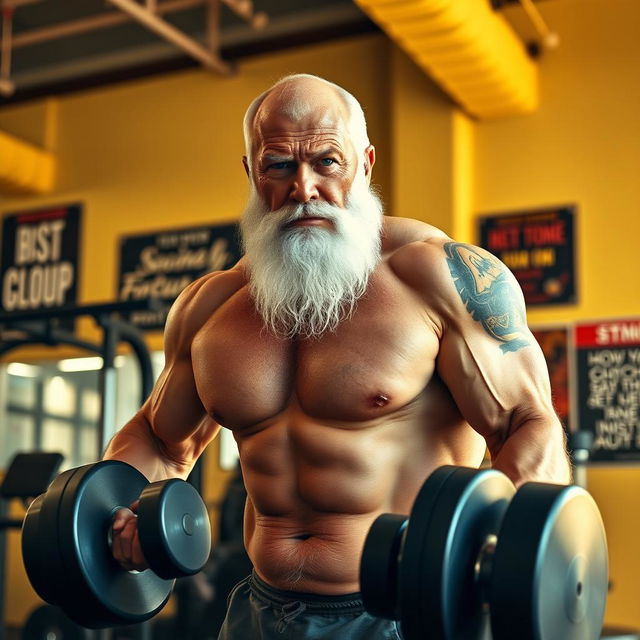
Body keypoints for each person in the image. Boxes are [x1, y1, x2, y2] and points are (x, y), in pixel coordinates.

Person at [105, 73, 571, 639]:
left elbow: (528, 423)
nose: (304, 187)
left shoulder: (439, 278)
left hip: (401, 613)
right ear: (252, 172)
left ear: (365, 164)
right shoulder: (210, 306)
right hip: (258, 610)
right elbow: (159, 437)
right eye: (279, 166)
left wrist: (503, 552)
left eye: (327, 161)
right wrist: (119, 513)